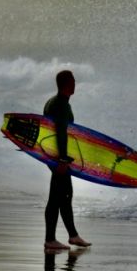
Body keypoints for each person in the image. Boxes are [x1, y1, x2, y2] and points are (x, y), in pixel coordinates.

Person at [43, 70, 91, 250]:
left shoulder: (52, 102)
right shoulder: (61, 106)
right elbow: (61, 134)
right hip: (58, 159)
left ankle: (72, 235)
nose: (75, 84)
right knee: (57, 197)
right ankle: (52, 239)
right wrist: (62, 160)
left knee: (63, 196)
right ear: (65, 84)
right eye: (73, 81)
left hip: (52, 156)